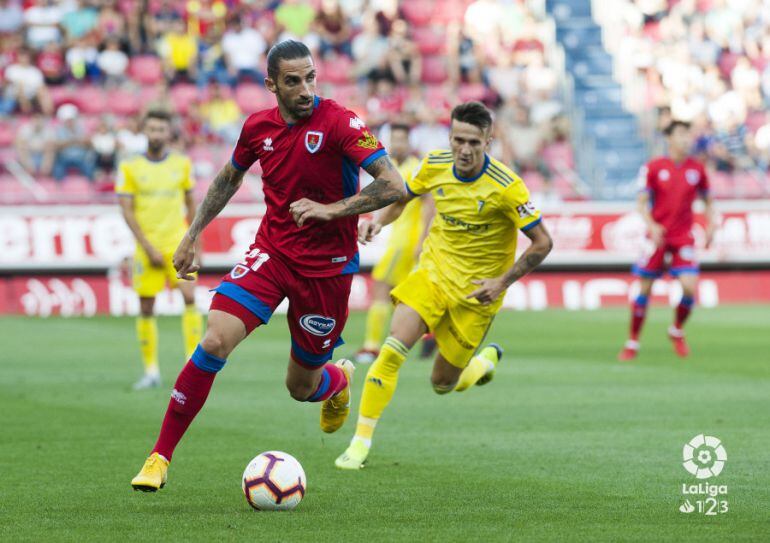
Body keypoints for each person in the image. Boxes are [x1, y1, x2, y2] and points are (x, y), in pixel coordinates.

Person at [130, 40, 405, 492]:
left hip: (327, 269)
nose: (305, 89)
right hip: (272, 255)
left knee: (300, 386)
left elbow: (394, 185)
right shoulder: (257, 127)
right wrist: (193, 232)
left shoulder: (340, 121)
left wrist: (331, 209)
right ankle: (159, 456)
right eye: (293, 81)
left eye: (310, 78)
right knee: (215, 338)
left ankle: (336, 380)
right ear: (271, 85)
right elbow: (229, 177)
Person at [335, 102, 553, 470]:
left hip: (475, 295)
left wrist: (502, 282)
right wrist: (379, 221)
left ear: (489, 140)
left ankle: (480, 365)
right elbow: (404, 197)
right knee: (391, 352)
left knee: (442, 382)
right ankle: (359, 443)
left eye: (473, 142)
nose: (464, 150)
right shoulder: (435, 164)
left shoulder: (507, 187)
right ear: (449, 138)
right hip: (432, 275)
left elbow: (543, 242)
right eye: (457, 140)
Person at [116, 110, 203, 390]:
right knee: (146, 306)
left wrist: (194, 242)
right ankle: (151, 371)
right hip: (146, 248)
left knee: (189, 297)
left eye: (160, 129)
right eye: (151, 129)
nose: (156, 134)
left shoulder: (182, 164)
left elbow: (192, 205)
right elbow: (127, 211)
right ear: (145, 132)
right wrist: (146, 246)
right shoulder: (130, 168)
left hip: (177, 244)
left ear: (168, 133)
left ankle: (192, 366)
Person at [618, 120, 716, 361]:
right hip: (657, 237)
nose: (686, 139)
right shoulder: (653, 167)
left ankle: (677, 330)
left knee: (689, 288)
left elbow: (708, 201)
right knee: (644, 290)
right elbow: (641, 204)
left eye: (688, 134)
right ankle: (632, 342)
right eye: (681, 134)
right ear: (669, 138)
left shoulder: (697, 169)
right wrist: (652, 225)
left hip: (683, 237)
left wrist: (712, 224)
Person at [354, 124, 433, 364]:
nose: (398, 144)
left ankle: (371, 347)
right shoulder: (392, 168)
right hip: (397, 238)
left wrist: (422, 239)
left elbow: (429, 205)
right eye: (395, 139)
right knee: (412, 294)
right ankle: (430, 336)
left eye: (402, 139)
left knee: (380, 286)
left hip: (406, 241)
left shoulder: (414, 169)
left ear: (409, 143)